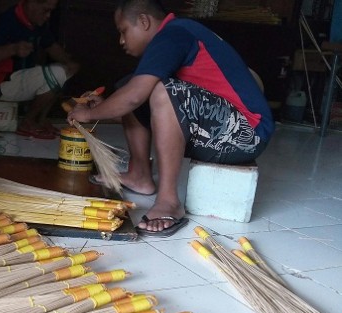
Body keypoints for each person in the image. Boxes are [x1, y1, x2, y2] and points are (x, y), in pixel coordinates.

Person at [67, 0, 274, 236]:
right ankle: (140, 174)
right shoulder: (175, 34)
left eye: (123, 31)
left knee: (159, 90)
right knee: (131, 84)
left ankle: (168, 201)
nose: (121, 40)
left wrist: (90, 114)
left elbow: (135, 98)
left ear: (144, 21)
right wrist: (107, 106)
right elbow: (135, 98)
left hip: (248, 133)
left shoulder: (173, 34)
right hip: (220, 128)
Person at [0, 0, 80, 139]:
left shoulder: (37, 24)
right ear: (32, 3)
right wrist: (13, 49)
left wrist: (69, 63)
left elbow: (51, 46)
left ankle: (40, 121)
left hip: (21, 80)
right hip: (2, 85)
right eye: (46, 10)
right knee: (57, 73)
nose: (48, 16)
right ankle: (27, 121)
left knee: (64, 71)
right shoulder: (9, 19)